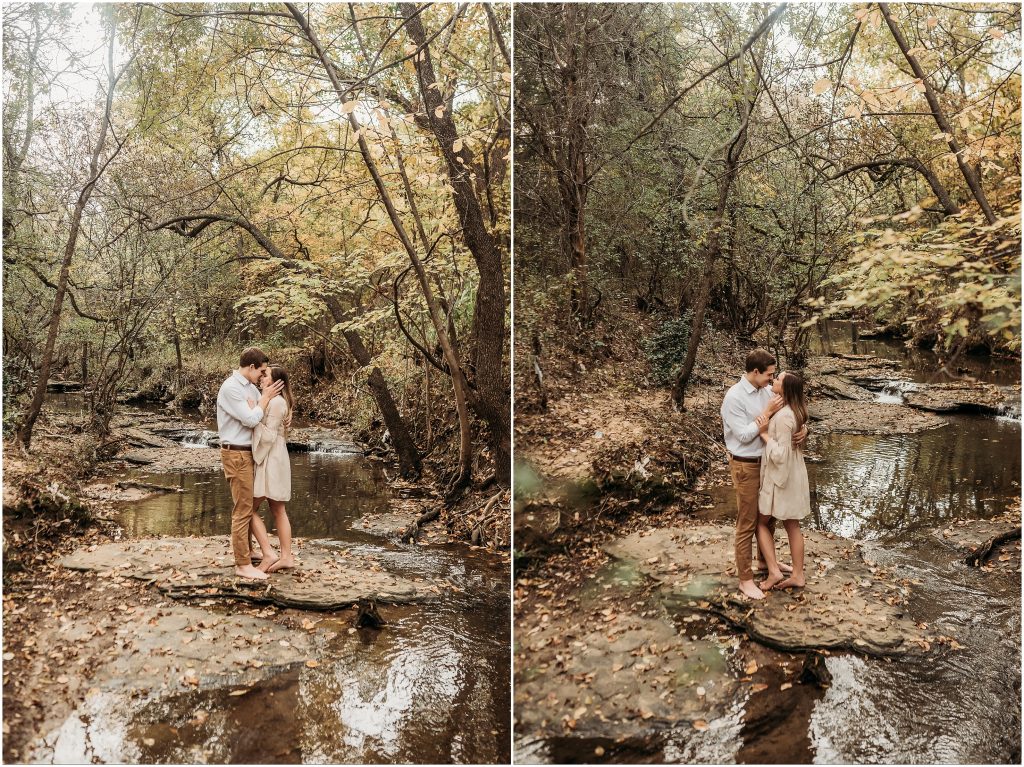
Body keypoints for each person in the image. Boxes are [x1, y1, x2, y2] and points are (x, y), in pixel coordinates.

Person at [720, 349, 806, 600]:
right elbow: (744, 435)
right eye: (769, 374)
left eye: (773, 375)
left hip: (769, 464)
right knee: (747, 523)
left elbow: (792, 411)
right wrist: (767, 413)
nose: (772, 379)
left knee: (768, 518)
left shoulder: (767, 390)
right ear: (755, 372)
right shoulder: (734, 398)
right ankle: (745, 579)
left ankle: (765, 563)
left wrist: (804, 430)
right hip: (746, 465)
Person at [216, 347, 283, 580]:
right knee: (243, 509)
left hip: (248, 453)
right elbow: (251, 418)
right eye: (261, 371)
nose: (263, 376)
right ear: (251, 367)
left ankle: (250, 551)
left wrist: (265, 404)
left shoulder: (249, 388)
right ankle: (242, 564)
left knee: (247, 505)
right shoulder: (231, 388)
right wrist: (263, 400)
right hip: (236, 454)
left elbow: (258, 417)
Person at [756, 371, 811, 591]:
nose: (774, 380)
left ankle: (774, 571)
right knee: (792, 524)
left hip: (782, 477)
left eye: (778, 379)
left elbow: (780, 455)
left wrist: (763, 434)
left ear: (786, 389)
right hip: (793, 474)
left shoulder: (786, 416)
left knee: (760, 523)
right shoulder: (793, 411)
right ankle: (797, 574)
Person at [251, 365, 295, 573]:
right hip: (272, 455)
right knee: (276, 509)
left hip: (272, 457)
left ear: (277, 383)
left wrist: (253, 412)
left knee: (248, 507)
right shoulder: (274, 401)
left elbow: (268, 436)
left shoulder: (276, 402)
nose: (261, 377)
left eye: (265, 375)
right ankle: (284, 556)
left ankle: (278, 555)